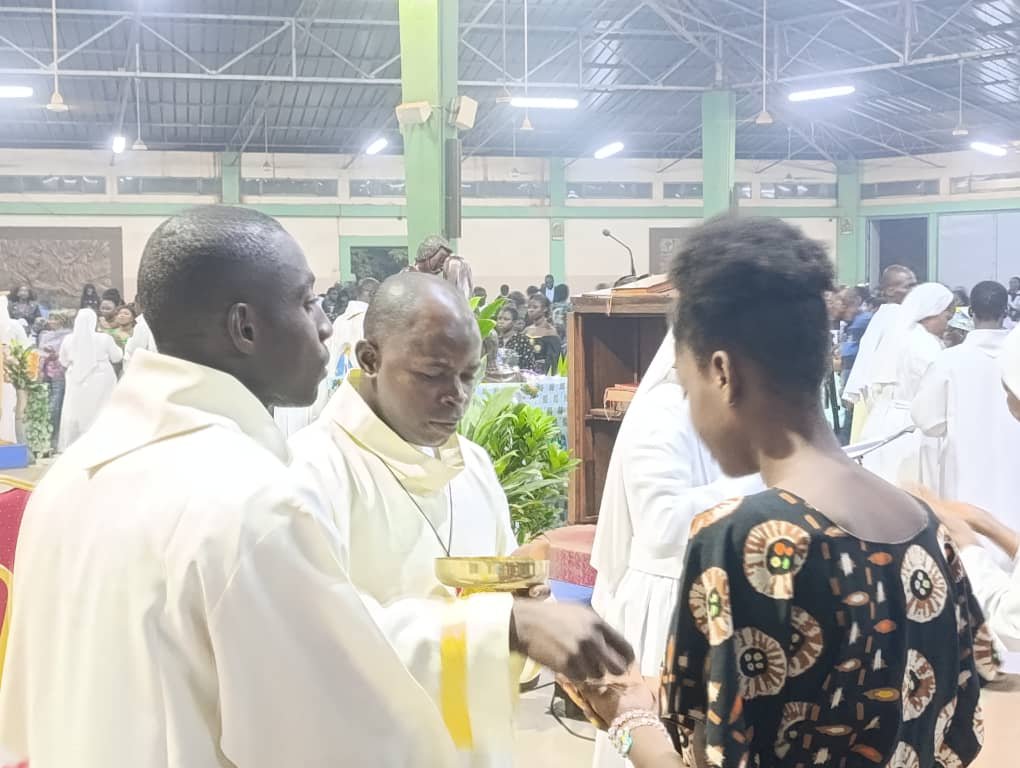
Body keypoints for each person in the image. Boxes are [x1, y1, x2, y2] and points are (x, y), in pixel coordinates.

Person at [0, 206, 466, 767]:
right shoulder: (253, 502)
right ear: (245, 327)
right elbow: (339, 742)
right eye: (306, 300)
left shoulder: (67, 479)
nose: (324, 325)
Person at [561, 216, 992, 768]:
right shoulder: (923, 525)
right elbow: (960, 729)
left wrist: (624, 716)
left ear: (721, 372)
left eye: (690, 387)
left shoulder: (747, 537)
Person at [290, 271, 632, 766]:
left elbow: (501, 604)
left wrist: (524, 601)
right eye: (432, 374)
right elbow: (318, 639)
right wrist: (504, 626)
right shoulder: (311, 470)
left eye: (468, 375)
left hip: (473, 744)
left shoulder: (471, 464)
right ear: (370, 359)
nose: (457, 395)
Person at [589, 330, 758, 768]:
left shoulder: (739, 406)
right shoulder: (662, 411)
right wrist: (764, 483)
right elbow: (662, 522)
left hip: (719, 593)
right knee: (661, 744)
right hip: (666, 605)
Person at [912, 281, 1020, 559]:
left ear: (970, 312)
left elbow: (927, 421)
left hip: (966, 470)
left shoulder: (949, 361)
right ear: (1006, 310)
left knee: (974, 554)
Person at [858, 283, 954, 484]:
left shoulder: (902, 337)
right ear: (932, 313)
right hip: (910, 425)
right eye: (947, 316)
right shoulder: (925, 345)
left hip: (881, 422)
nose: (949, 323)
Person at [842, 265, 917, 441]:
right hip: (882, 398)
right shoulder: (894, 316)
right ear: (890, 290)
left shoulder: (891, 315)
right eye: (908, 286)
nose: (914, 291)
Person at [56, 307, 122, 450]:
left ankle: (76, 444)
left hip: (75, 379)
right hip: (102, 377)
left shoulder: (68, 339)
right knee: (101, 409)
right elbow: (117, 357)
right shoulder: (104, 338)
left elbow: (63, 361)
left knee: (76, 410)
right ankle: (103, 443)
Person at [37, 312, 71, 452]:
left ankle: (55, 438)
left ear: (63, 320)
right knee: (46, 403)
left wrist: (55, 355)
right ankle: (44, 437)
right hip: (45, 371)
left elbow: (67, 353)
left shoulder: (68, 335)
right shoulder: (44, 335)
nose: (51, 321)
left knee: (56, 404)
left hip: (60, 372)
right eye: (50, 318)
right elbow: (39, 351)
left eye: (55, 319)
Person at [0, 295, 29, 444]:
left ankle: (11, 441)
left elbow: (25, 348)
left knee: (11, 411)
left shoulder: (14, 326)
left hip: (9, 377)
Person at [411, 234, 473, 300]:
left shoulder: (452, 267)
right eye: (441, 259)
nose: (442, 266)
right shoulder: (409, 276)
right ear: (427, 255)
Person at [524, 293, 562, 375]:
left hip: (542, 376)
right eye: (529, 307)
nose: (531, 310)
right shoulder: (526, 330)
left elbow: (553, 362)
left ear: (545, 309)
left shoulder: (550, 332)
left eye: (535, 307)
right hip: (525, 373)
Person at [494, 305, 535, 371]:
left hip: (517, 379)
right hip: (495, 378)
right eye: (499, 318)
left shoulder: (523, 340)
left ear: (514, 322)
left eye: (506, 319)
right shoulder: (494, 341)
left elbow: (529, 366)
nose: (501, 322)